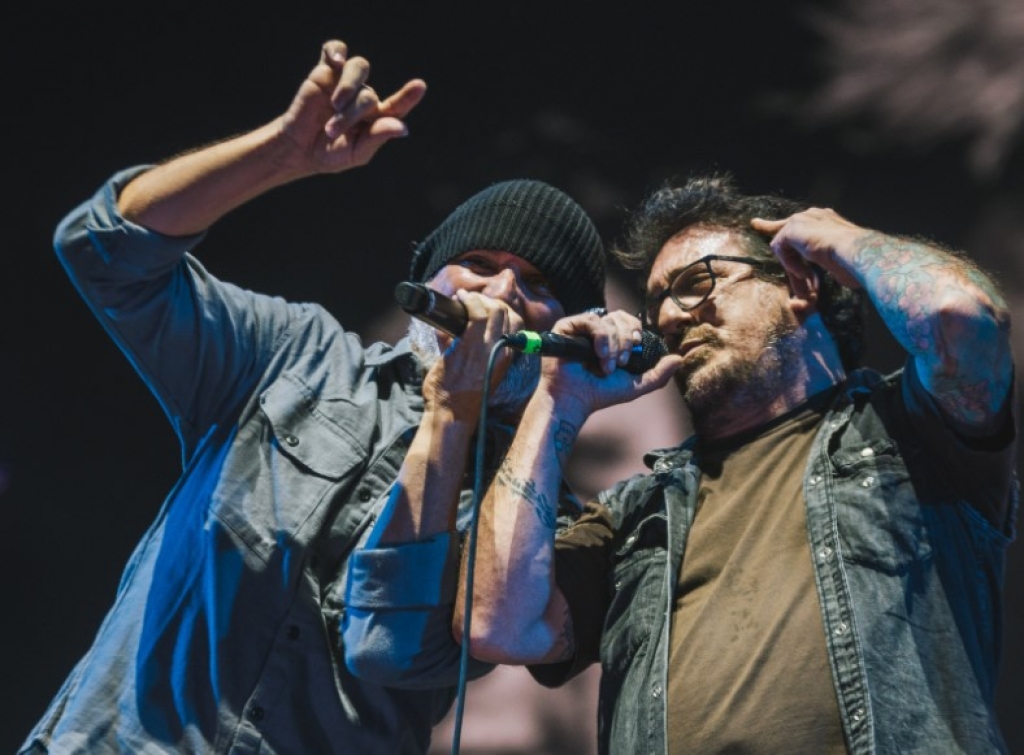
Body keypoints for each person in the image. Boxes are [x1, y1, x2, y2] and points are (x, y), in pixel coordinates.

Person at [20, 36, 632, 755]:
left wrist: (454, 411)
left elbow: (391, 650)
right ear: (426, 282)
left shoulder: (531, 511)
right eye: (476, 263)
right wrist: (280, 154)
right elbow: (104, 251)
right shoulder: (295, 352)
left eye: (537, 284)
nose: (499, 292)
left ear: (562, 334)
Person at [448, 172, 1019, 753]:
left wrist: (847, 241)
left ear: (799, 284)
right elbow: (495, 625)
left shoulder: (907, 431)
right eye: (656, 304)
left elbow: (962, 318)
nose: (669, 318)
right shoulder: (636, 513)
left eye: (697, 283)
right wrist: (557, 400)